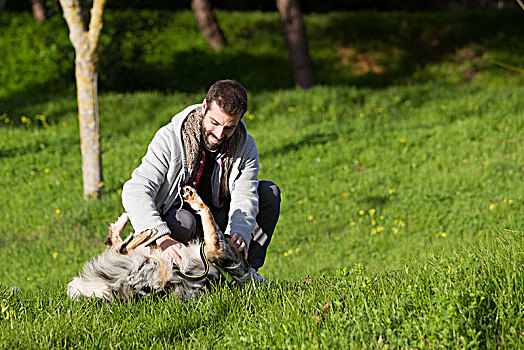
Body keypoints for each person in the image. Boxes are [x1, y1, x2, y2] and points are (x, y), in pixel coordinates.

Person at [122, 79, 280, 282]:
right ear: (204, 107)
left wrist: (238, 233)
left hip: (217, 219)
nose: (219, 134)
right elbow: (135, 190)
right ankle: (184, 276)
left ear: (240, 120)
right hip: (178, 221)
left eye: (229, 127)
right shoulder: (170, 138)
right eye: (214, 123)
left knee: (269, 193)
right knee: (184, 222)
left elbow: (245, 193)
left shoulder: (245, 146)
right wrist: (161, 237)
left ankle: (244, 274)